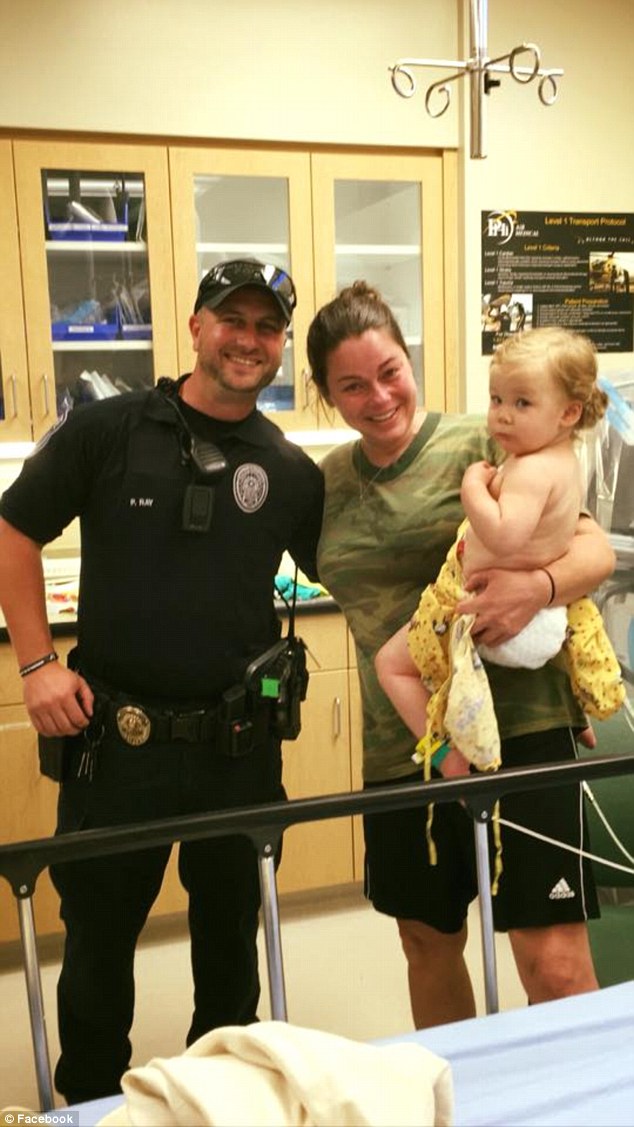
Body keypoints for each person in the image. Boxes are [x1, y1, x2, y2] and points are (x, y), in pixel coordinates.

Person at [0, 258, 324, 1104]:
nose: (248, 340)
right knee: (98, 949)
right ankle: (92, 1108)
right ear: (195, 325)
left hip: (238, 751)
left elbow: (366, 567)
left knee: (230, 955)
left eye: (267, 326)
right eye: (233, 319)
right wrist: (36, 664)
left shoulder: (290, 471)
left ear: (281, 342)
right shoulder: (108, 430)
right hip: (117, 745)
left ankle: (219, 1108)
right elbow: (12, 529)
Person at [307, 281, 615, 1031]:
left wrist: (536, 585)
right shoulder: (324, 485)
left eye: (390, 371)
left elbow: (596, 551)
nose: (378, 396)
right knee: (427, 941)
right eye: (351, 384)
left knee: (553, 960)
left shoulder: (488, 440)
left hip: (523, 731)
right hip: (405, 746)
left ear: (409, 361)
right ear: (325, 395)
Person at [376, 327, 624, 779]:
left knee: (392, 667)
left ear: (569, 412)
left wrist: (472, 486)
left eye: (521, 403)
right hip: (553, 613)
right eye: (496, 400)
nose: (501, 416)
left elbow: (506, 534)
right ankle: (581, 717)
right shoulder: (564, 458)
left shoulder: (530, 468)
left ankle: (446, 758)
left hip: (484, 608)